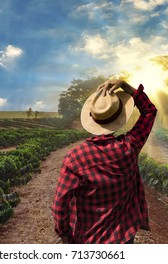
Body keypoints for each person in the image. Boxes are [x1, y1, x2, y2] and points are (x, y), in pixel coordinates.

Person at [52, 79, 157, 244]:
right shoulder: (129, 147)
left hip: (89, 239)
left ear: (92, 119)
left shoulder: (74, 159)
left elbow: (60, 205)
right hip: (123, 235)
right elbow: (149, 111)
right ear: (121, 117)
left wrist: (64, 233)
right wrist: (126, 86)